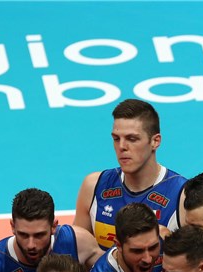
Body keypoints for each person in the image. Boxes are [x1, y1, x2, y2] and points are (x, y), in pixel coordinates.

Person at [74, 99, 187, 249]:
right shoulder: (94, 186)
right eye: (116, 139)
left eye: (132, 139)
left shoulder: (182, 195)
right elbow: (76, 253)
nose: (121, 146)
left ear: (155, 141)